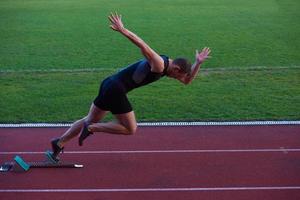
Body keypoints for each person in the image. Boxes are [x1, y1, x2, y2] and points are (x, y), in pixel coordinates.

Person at [46, 12, 211, 162]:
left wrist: (197, 63)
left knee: (88, 118)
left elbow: (187, 81)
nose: (179, 79)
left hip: (108, 83)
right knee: (130, 128)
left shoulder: (170, 65)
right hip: (116, 90)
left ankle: (59, 143)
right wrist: (123, 30)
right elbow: (142, 45)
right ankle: (92, 128)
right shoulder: (159, 64)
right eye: (179, 75)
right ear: (176, 69)